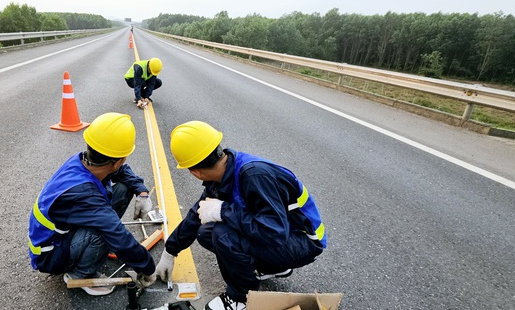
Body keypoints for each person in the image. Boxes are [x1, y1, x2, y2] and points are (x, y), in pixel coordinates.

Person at [154, 121, 328, 310]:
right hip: (286, 235)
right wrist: (169, 252)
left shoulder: (254, 176)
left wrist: (223, 211)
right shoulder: (224, 174)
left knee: (223, 234)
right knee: (205, 232)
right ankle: (273, 267)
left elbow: (274, 232)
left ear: (195, 172)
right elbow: (196, 216)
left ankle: (241, 298)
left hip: (304, 241)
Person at [28, 112, 157, 296]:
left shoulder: (83, 161)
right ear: (118, 160)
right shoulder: (83, 194)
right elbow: (114, 231)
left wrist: (142, 192)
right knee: (105, 229)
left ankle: (90, 250)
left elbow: (122, 172)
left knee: (124, 188)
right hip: (50, 256)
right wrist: (148, 267)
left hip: (61, 236)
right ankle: (79, 274)